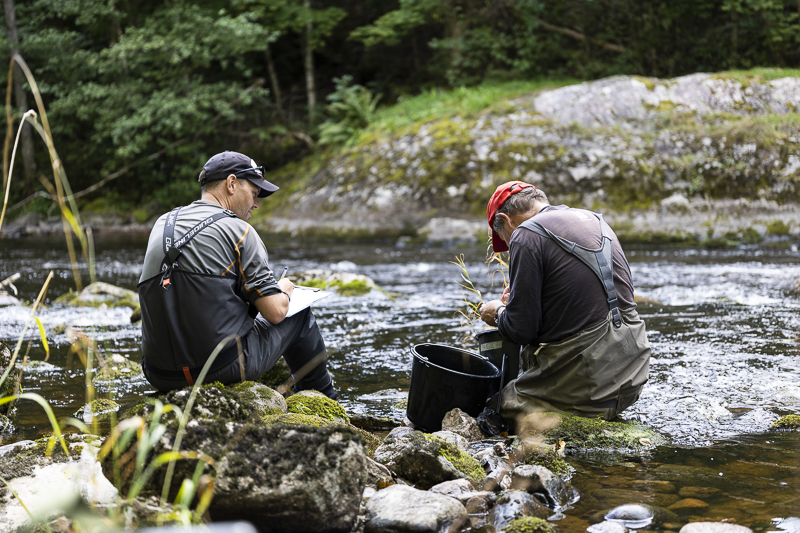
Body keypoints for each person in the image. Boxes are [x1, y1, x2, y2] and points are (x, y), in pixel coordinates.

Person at [137, 151, 337, 398]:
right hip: (220, 370)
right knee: (299, 316)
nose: (256, 204)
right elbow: (275, 312)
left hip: (159, 374)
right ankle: (325, 402)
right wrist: (283, 289)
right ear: (231, 184)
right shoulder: (239, 230)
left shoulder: (162, 224)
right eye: (254, 193)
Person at [478, 181, 649, 421]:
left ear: (507, 220)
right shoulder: (594, 219)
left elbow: (521, 330)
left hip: (591, 386)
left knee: (496, 406)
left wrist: (497, 312)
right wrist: (521, 298)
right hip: (632, 377)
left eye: (504, 240)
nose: (508, 245)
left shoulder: (524, 234)